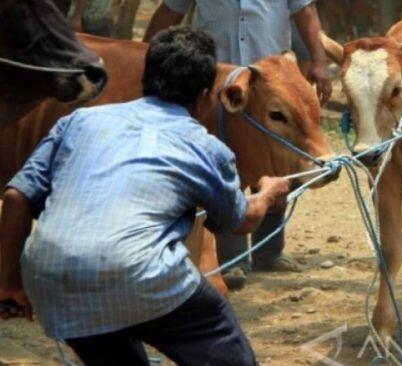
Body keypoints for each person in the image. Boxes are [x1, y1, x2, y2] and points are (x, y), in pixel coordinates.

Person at [0, 27, 290, 366]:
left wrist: (8, 282)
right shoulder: (205, 146)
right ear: (204, 95)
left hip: (52, 280)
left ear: (145, 79)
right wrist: (269, 193)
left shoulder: (79, 120)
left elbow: (17, 196)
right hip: (142, 274)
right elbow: (240, 221)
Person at [144, 0, 332, 289]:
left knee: (275, 165)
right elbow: (169, 12)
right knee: (222, 166)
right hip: (218, 87)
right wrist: (143, 59)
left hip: (272, 84)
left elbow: (305, 13)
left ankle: (269, 251)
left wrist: (319, 61)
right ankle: (232, 259)